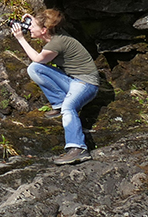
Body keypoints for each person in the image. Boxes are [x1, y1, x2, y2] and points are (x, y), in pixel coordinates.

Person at [10, 9, 100, 164]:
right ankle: (58, 102)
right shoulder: (56, 33)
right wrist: (34, 20)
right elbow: (38, 60)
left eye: (32, 26)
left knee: (69, 107)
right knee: (34, 69)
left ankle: (78, 148)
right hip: (73, 81)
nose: (29, 28)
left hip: (87, 83)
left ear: (44, 30)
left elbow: (38, 58)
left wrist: (21, 39)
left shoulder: (56, 43)